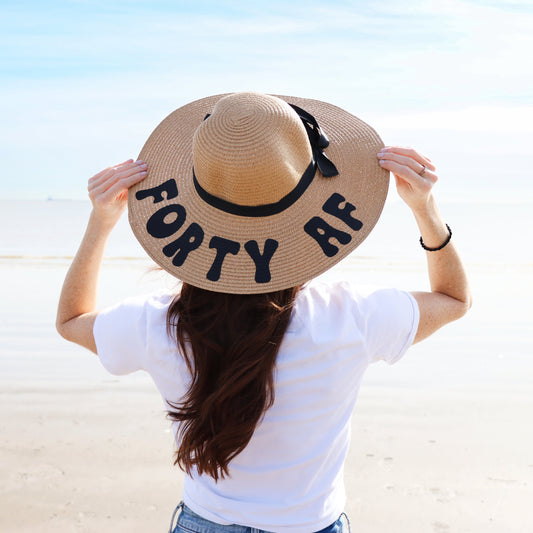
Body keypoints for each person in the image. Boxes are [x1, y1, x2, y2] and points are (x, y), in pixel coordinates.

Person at [56, 92, 471, 533]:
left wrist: (100, 223)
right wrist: (425, 210)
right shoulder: (350, 315)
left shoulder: (160, 324)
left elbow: (70, 321)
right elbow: (454, 299)